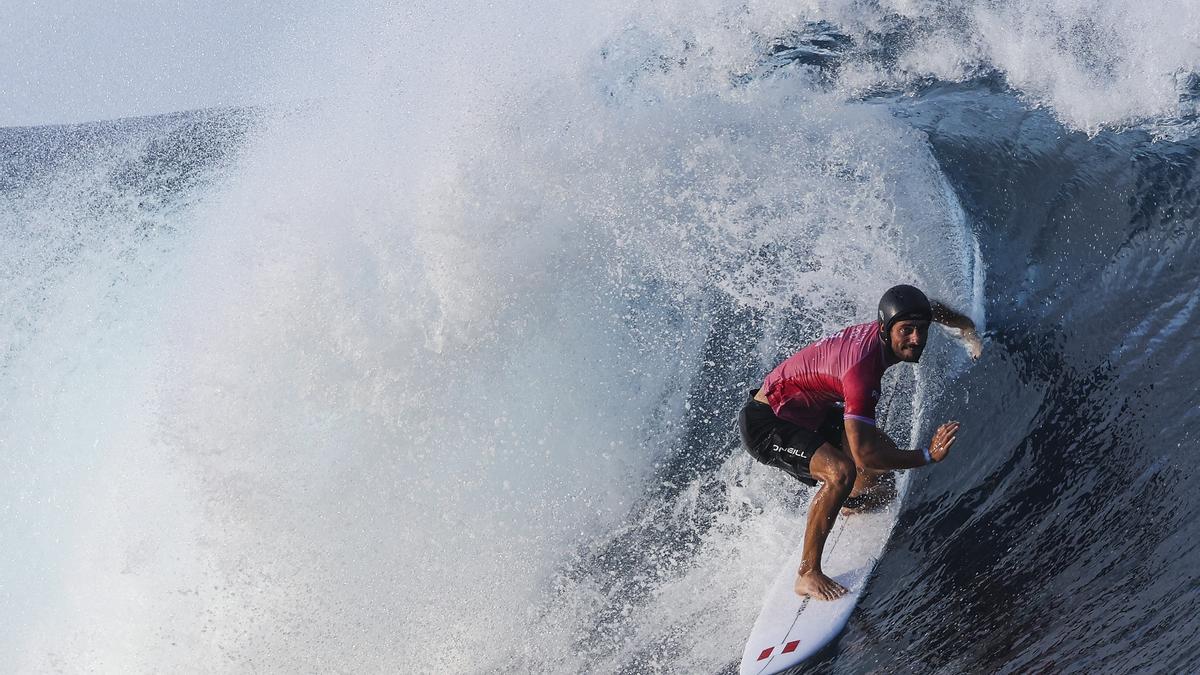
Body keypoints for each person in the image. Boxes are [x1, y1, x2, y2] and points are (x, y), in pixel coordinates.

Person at [737, 284, 982, 601]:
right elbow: (866, 454)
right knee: (841, 472)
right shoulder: (860, 374)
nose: (916, 339)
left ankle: (848, 504)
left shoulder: (899, 324)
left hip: (808, 410)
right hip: (767, 422)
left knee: (881, 479)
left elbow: (931, 308)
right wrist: (928, 455)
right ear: (884, 328)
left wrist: (966, 327)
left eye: (921, 330)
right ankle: (807, 573)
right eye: (907, 331)